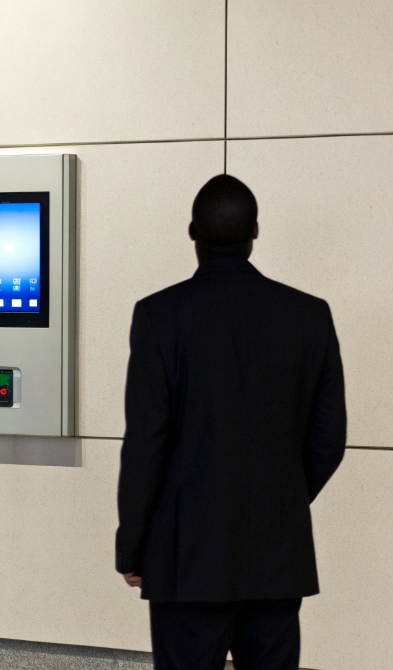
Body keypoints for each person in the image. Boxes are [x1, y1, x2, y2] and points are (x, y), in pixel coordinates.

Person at [115, 175, 346, 670]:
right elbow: (329, 441)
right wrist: (279, 499)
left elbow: (145, 443)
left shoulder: (159, 315)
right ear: (255, 232)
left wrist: (133, 544)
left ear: (192, 231)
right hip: (276, 557)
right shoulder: (309, 315)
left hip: (185, 559)